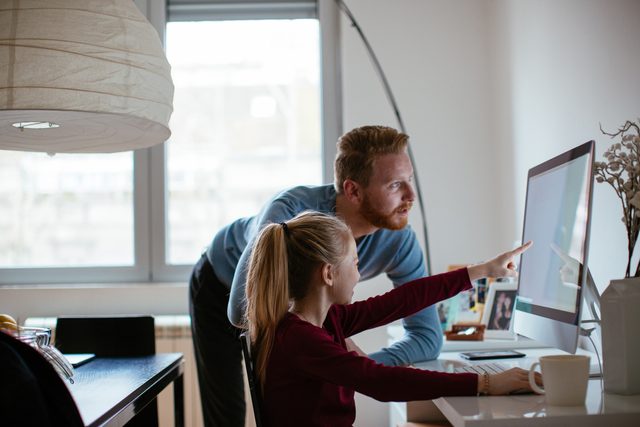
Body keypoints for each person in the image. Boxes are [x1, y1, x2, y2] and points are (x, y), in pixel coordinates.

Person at [190, 125, 448, 426]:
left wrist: (356, 368)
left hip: (284, 307)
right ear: (353, 190)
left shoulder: (399, 239)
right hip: (220, 282)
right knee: (228, 416)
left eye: (410, 180)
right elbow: (240, 310)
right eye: (394, 185)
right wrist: (345, 362)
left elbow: (428, 337)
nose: (411, 196)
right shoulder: (290, 213)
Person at [244, 211, 538, 427]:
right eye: (355, 263)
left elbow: (399, 301)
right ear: (328, 273)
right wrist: (485, 383)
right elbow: (381, 381)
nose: (359, 274)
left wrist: (480, 271)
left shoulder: (324, 320)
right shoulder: (301, 339)